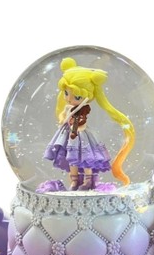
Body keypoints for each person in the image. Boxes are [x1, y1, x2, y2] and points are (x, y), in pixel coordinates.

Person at [44, 57, 135, 190]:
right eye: (66, 93)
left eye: (77, 96)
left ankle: (88, 180)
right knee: (72, 159)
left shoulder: (84, 108)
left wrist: (76, 125)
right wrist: (63, 118)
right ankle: (74, 181)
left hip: (81, 135)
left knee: (86, 159)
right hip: (69, 134)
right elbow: (63, 115)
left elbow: (81, 122)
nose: (69, 98)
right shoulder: (68, 107)